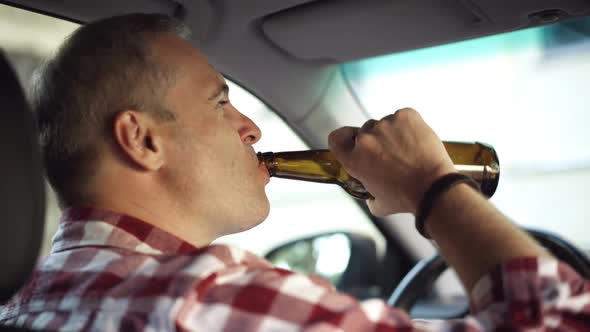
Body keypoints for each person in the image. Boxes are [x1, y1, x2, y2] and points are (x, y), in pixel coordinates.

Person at [0, 13, 588, 331]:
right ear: (143, 139)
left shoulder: (23, 302)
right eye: (219, 102)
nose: (251, 129)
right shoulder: (210, 301)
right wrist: (430, 185)